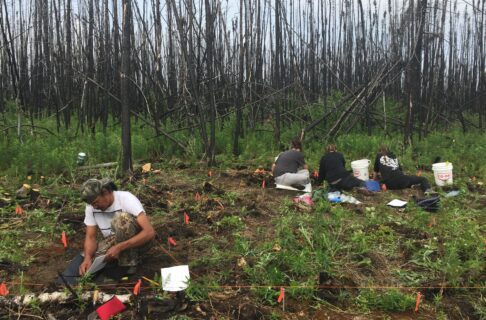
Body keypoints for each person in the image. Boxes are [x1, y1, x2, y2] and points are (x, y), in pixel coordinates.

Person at [78, 178, 155, 276]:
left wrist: (120, 247)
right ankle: (114, 259)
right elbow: (90, 237)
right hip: (114, 241)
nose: (94, 207)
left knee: (121, 219)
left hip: (139, 243)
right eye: (91, 204)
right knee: (92, 258)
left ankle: (129, 264)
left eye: (96, 202)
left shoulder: (126, 198)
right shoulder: (91, 207)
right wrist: (87, 258)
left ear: (105, 192)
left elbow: (149, 232)